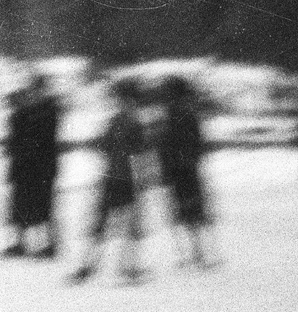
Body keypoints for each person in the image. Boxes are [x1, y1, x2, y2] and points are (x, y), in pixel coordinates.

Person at [69, 76, 151, 283]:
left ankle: (89, 266)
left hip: (112, 178)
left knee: (103, 224)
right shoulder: (134, 123)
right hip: (125, 180)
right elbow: (141, 153)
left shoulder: (115, 121)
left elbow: (101, 145)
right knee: (128, 225)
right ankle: (127, 267)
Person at [154, 75, 216, 267]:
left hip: (180, 170)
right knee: (192, 211)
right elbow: (197, 143)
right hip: (186, 169)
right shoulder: (186, 113)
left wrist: (166, 167)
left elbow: (166, 144)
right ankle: (197, 254)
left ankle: (193, 254)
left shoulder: (175, 114)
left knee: (185, 211)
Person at [1, 73, 61, 258]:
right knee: (19, 206)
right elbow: (15, 137)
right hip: (23, 167)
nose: (33, 95)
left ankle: (50, 244)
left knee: (44, 207)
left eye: (37, 91)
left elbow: (43, 137)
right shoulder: (23, 113)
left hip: (42, 168)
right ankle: (20, 243)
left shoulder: (48, 112)